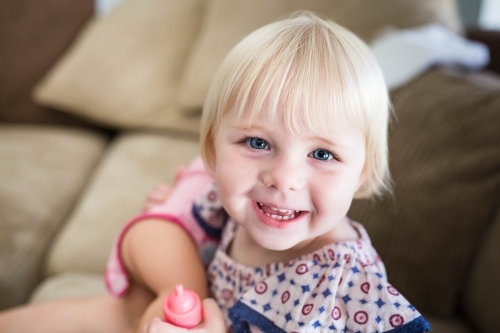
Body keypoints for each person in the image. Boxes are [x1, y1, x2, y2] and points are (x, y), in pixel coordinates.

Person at [0, 11, 431, 333]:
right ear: (212, 151)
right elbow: (157, 234)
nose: (284, 178)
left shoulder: (346, 282)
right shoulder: (228, 203)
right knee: (124, 309)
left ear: (361, 174)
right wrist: (170, 220)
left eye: (322, 154)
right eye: (258, 143)